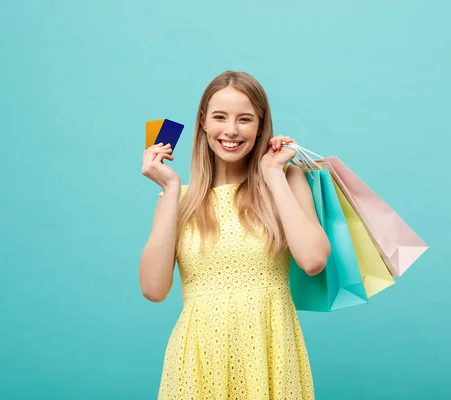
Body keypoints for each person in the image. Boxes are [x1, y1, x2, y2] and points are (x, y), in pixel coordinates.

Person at [139, 71, 331, 399]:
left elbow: (313, 260)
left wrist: (272, 175)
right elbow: (154, 290)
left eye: (244, 119)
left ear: (260, 126)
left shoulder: (285, 179)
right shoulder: (178, 199)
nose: (231, 130)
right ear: (202, 122)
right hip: (198, 362)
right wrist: (170, 188)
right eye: (220, 117)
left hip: (271, 356)